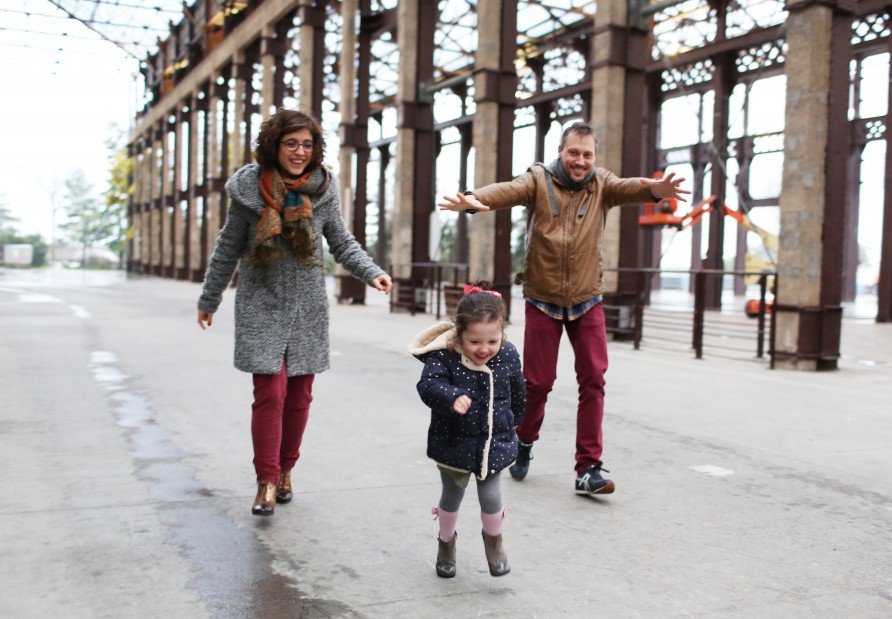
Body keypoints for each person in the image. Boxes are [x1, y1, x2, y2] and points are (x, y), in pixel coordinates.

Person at [438, 121, 688, 496]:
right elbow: (508, 190)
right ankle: (524, 440)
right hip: (543, 298)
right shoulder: (538, 181)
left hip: (588, 298)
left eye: (587, 154)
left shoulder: (602, 184)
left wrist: (655, 190)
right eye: (574, 152)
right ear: (560, 151)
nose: (581, 161)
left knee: (594, 378)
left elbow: (629, 186)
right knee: (538, 383)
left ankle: (588, 468)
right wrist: (476, 199)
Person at [197, 109, 392, 516]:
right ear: (274, 145)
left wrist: (372, 273)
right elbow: (227, 247)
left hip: (307, 306)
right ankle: (266, 480)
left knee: (299, 398)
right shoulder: (247, 190)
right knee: (270, 393)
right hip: (260, 302)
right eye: (291, 143)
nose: (300, 152)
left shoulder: (323, 189)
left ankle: (287, 471)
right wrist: (209, 299)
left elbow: (341, 240)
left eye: (307, 144)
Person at [408, 283, 526, 578]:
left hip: (493, 441)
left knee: (491, 495)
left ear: (502, 335)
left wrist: (515, 422)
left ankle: (494, 542)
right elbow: (428, 386)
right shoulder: (444, 355)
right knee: (452, 494)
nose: (484, 349)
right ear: (459, 333)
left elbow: (518, 391)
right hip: (453, 441)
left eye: (492, 341)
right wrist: (450, 397)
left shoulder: (508, 354)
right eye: (475, 342)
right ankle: (446, 542)